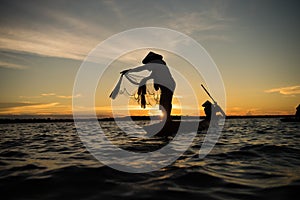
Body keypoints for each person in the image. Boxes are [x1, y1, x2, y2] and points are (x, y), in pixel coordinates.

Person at [120, 51, 176, 122]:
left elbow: (142, 68)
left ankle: (167, 120)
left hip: (168, 85)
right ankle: (166, 119)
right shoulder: (158, 66)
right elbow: (152, 76)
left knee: (165, 102)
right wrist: (146, 79)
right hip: (168, 85)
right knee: (164, 102)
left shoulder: (157, 63)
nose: (148, 66)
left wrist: (129, 71)